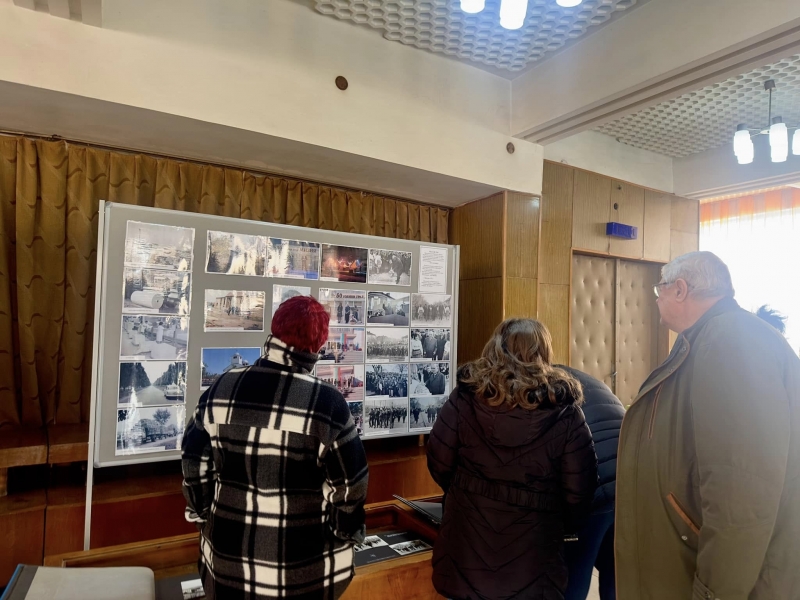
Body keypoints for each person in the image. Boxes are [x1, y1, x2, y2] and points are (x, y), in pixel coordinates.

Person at [616, 251, 800, 599]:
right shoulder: (711, 337)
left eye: (660, 289)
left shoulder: (730, 341)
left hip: (733, 581)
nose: (657, 299)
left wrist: (713, 592)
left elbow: (741, 491)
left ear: (680, 289)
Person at [182, 296, 369, 600]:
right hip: (303, 571)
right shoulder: (327, 404)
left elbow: (194, 462)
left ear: (274, 330)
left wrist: (203, 513)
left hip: (226, 562)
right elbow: (351, 486)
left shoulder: (221, 387)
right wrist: (343, 532)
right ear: (319, 345)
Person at [427, 318, 598, 600]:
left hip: (466, 550)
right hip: (535, 559)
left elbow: (439, 462)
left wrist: (467, 495)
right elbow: (580, 492)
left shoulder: (465, 398)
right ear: (544, 352)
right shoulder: (566, 414)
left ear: (495, 347)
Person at [559, 366, 625, 600]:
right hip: (628, 483)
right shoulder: (585, 379)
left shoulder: (549, 389)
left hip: (593, 489)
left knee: (574, 575)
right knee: (615, 575)